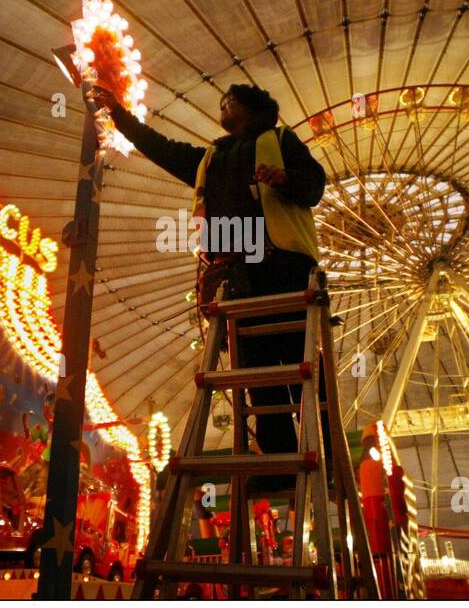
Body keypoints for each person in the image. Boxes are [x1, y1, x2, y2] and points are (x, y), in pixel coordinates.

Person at [92, 83, 327, 489]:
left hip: (282, 263)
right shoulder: (210, 159)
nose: (223, 106)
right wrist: (119, 114)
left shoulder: (280, 140)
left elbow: (315, 186)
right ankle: (277, 466)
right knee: (256, 370)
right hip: (236, 271)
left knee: (299, 365)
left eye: (230, 101)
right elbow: (160, 147)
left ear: (254, 110)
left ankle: (319, 459)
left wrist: (284, 178)